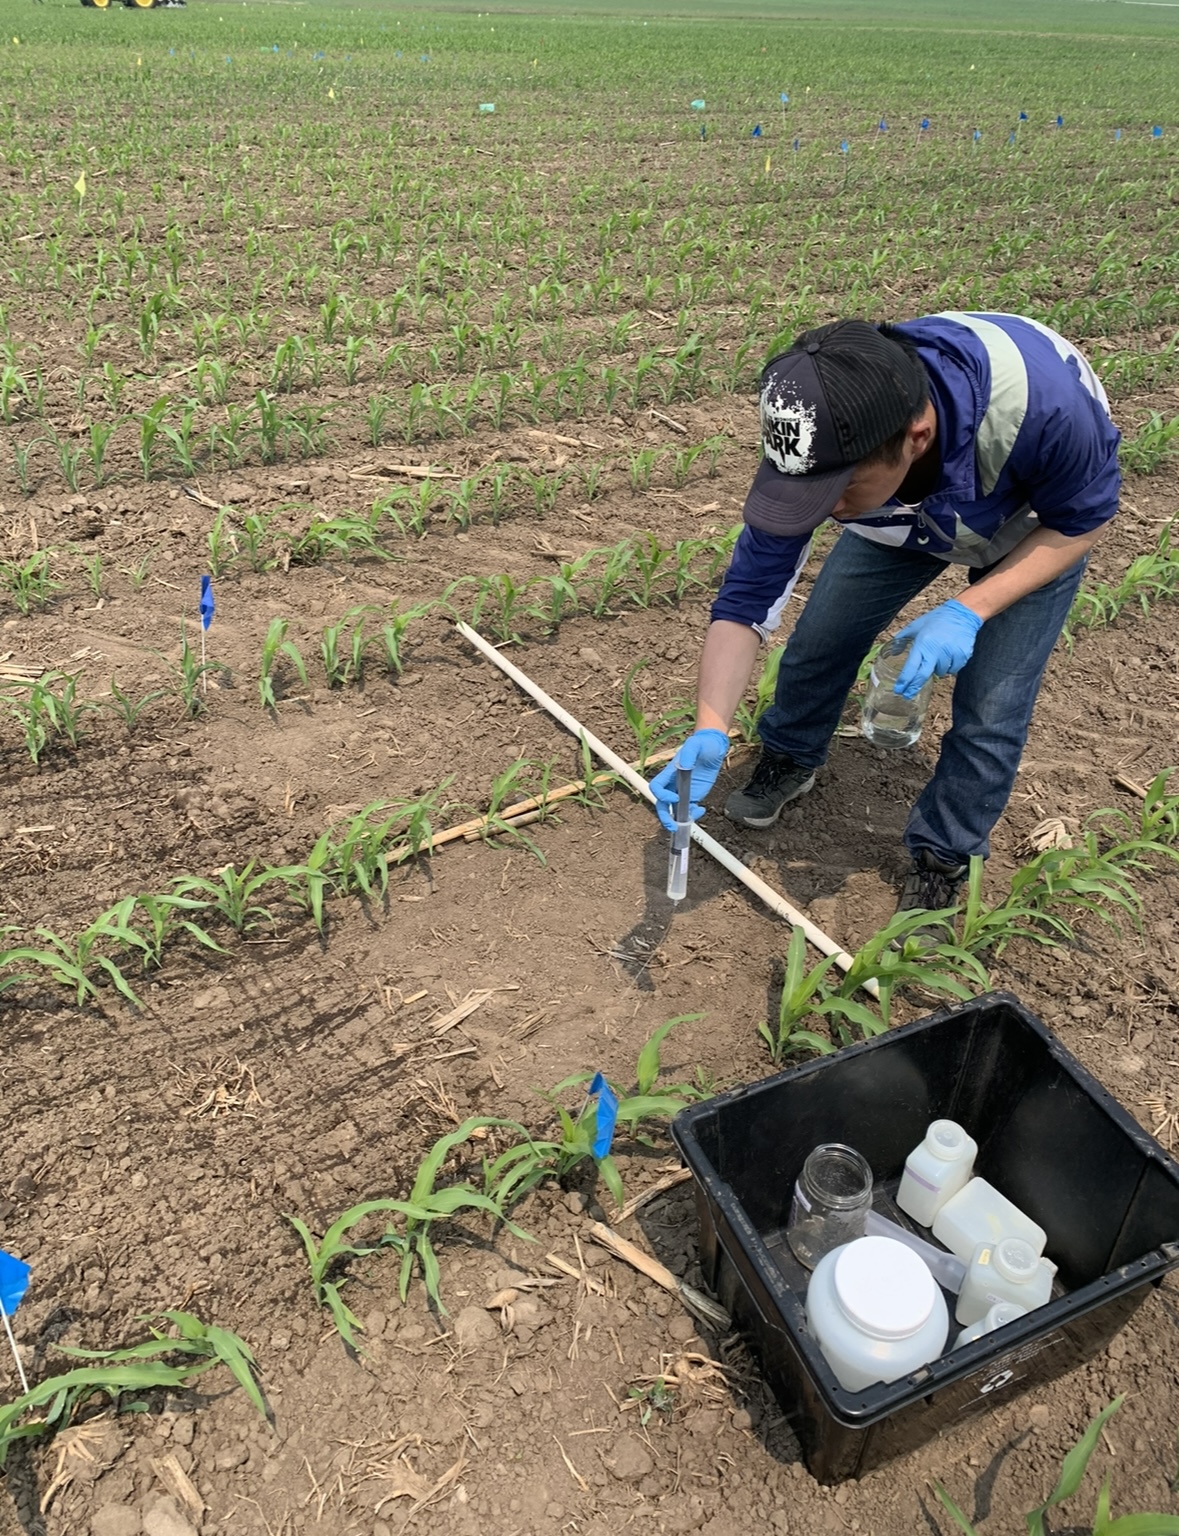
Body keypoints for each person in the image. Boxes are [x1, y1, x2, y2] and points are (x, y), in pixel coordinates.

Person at [650, 312, 1120, 916]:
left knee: (992, 707)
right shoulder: (819, 441)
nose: (824, 510)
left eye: (838, 492)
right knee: (821, 639)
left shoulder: (1045, 412)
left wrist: (969, 609)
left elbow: (1085, 519)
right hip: (900, 518)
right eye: (807, 493)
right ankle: (791, 754)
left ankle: (942, 859)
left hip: (1031, 520)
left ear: (916, 437)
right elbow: (744, 603)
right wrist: (709, 725)